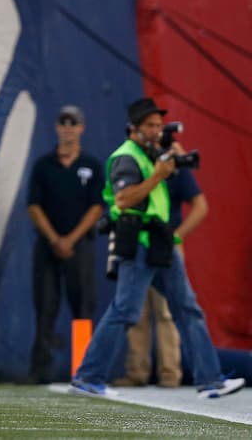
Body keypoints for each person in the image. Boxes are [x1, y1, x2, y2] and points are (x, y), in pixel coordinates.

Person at [71, 98, 243, 399]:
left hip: (160, 242)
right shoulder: (127, 157)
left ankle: (210, 380)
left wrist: (172, 158)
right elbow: (124, 200)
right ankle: (88, 376)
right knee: (125, 310)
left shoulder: (153, 155)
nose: (157, 130)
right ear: (134, 129)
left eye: (159, 125)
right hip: (138, 241)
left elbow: (182, 175)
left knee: (187, 308)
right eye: (150, 125)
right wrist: (158, 175)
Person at [26, 105, 104, 384]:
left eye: (74, 123)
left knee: (82, 306)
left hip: (79, 245)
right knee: (45, 305)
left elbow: (97, 207)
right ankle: (40, 370)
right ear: (58, 127)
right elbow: (33, 206)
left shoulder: (92, 166)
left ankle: (82, 368)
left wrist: (71, 239)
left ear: (81, 127)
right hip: (48, 245)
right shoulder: (43, 165)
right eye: (63, 123)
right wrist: (55, 238)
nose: (68, 128)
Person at [119, 167, 207, 387]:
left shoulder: (175, 169)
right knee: (136, 310)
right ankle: (137, 372)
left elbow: (200, 206)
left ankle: (170, 373)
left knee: (167, 311)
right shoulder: (136, 164)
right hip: (139, 243)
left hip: (166, 247)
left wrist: (176, 237)